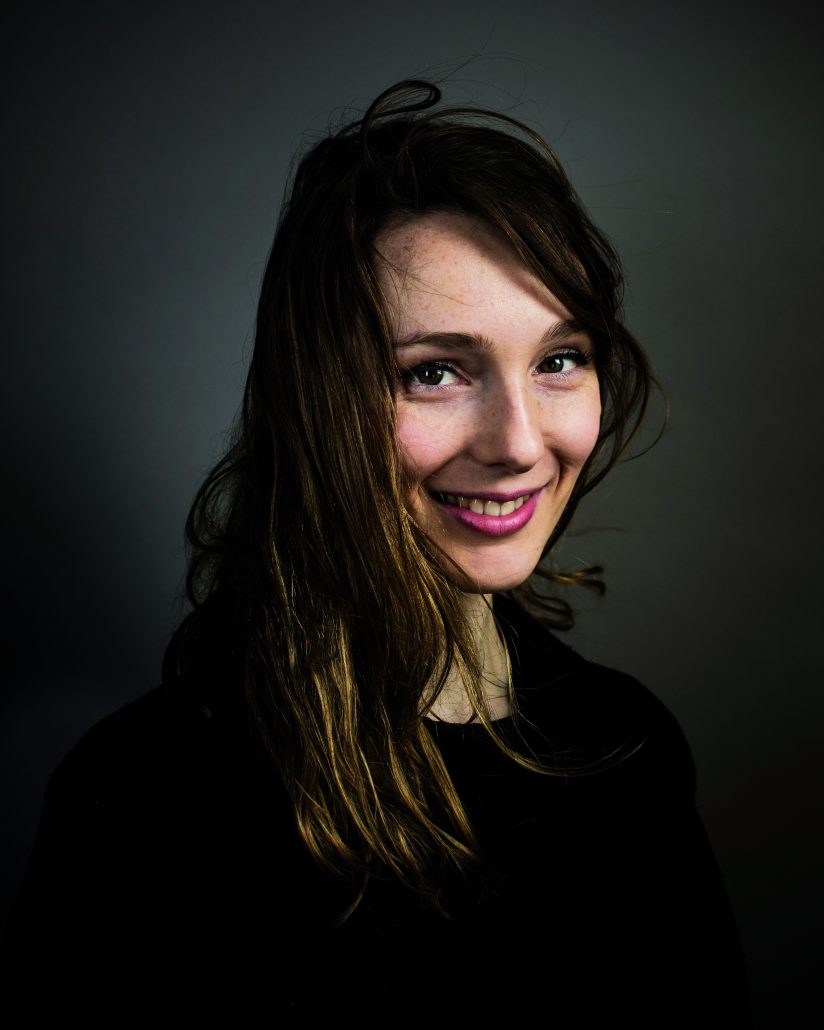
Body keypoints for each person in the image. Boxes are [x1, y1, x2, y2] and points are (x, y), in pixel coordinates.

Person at [2, 80, 752, 1023]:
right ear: (318, 403)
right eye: (435, 372)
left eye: (559, 359)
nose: (520, 443)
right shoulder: (143, 799)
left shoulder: (627, 748)